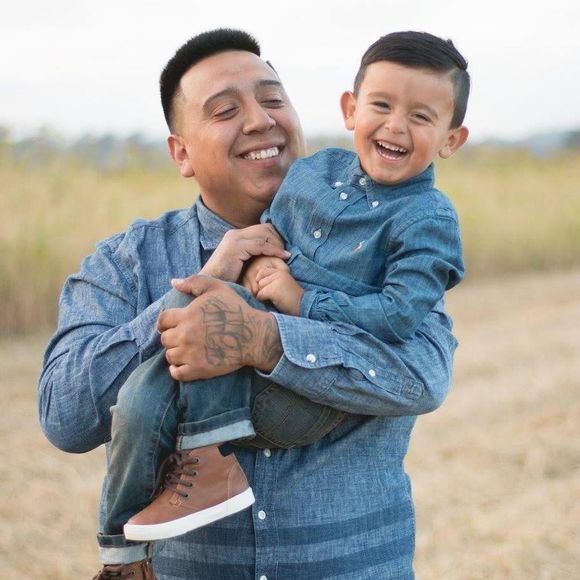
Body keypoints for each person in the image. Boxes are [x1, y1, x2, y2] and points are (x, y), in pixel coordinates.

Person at [39, 28, 468, 580]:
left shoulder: (384, 239)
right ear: (181, 153)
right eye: (225, 111)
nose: (260, 120)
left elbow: (421, 377)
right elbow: (66, 418)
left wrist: (266, 340)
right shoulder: (127, 262)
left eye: (272, 99)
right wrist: (201, 286)